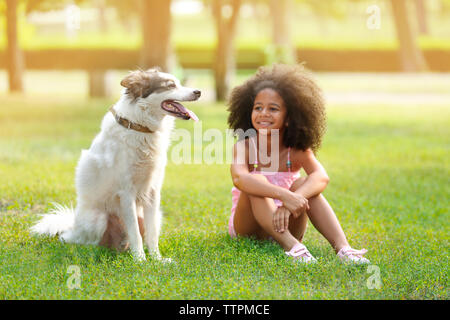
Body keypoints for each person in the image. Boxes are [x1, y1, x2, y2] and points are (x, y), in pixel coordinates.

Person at [227, 64, 369, 264]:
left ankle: (344, 248)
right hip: (250, 228)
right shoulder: (245, 146)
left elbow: (321, 176)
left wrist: (292, 200)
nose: (263, 113)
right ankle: (294, 248)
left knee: (305, 184)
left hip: (288, 221)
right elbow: (239, 178)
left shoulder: (297, 150)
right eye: (257, 107)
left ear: (289, 117)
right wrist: (284, 195)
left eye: (273, 109)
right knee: (255, 180)